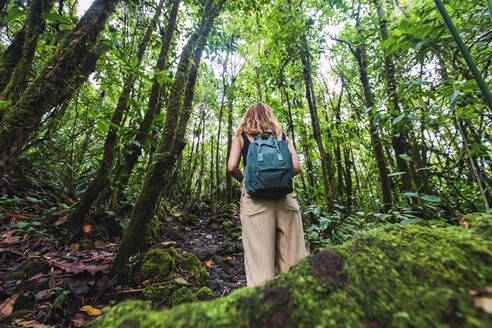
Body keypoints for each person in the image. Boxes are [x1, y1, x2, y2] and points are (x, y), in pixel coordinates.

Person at [227, 102, 307, 287]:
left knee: (260, 267)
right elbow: (296, 167)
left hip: (256, 202)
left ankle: (265, 311)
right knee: (295, 264)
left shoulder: (242, 136)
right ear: (270, 115)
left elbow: (232, 167)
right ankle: (300, 306)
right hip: (285, 200)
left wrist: (248, 180)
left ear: (247, 117)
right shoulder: (281, 137)